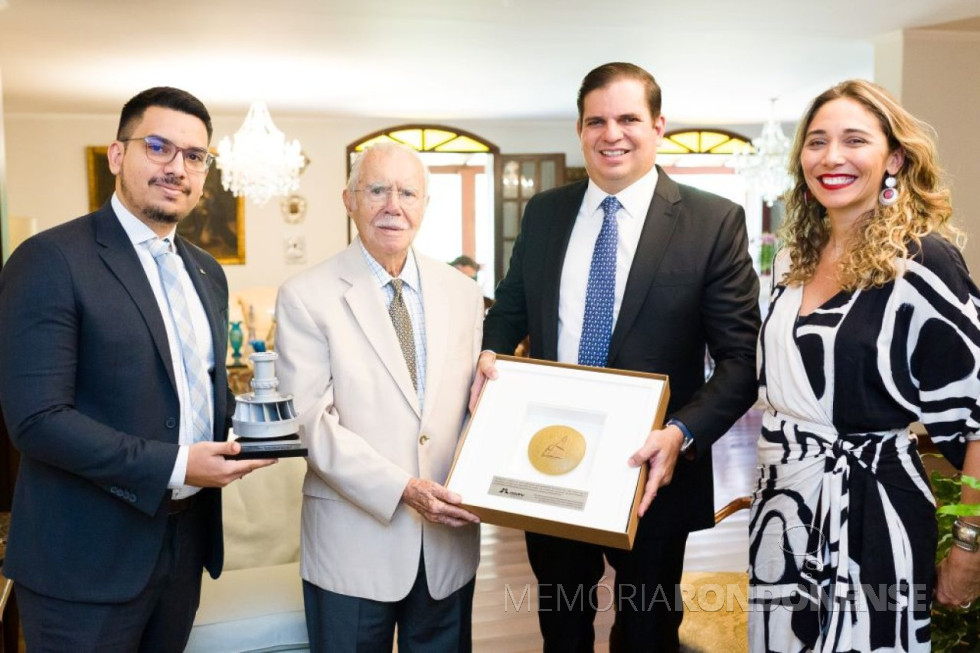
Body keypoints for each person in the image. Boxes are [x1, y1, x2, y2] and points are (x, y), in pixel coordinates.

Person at [472, 62, 761, 651]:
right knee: (562, 626)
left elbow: (739, 361)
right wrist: (490, 352)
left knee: (648, 631)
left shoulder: (713, 222)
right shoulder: (546, 214)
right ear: (579, 131)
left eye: (629, 118)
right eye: (596, 120)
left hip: (655, 467)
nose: (613, 134)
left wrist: (680, 432)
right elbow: (509, 311)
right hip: (550, 460)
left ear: (658, 126)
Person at [0, 87, 275, 651]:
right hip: (83, 558)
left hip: (184, 547)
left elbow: (193, 390)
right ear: (118, 155)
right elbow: (37, 420)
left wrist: (265, 427)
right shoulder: (51, 259)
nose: (178, 168)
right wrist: (177, 465)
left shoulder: (206, 271)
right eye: (159, 147)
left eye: (195, 156)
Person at [749, 79, 980, 651]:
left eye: (854, 140)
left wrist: (970, 546)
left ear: (893, 158)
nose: (831, 157)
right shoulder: (793, 260)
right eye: (817, 141)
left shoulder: (924, 263)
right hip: (782, 507)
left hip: (875, 515)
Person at [275, 142, 484, 651]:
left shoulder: (464, 294)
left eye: (408, 192)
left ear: (425, 204)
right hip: (352, 548)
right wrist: (403, 488)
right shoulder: (306, 294)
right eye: (377, 190)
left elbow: (468, 411)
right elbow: (309, 423)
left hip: (446, 549)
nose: (394, 205)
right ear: (349, 199)